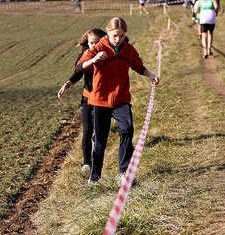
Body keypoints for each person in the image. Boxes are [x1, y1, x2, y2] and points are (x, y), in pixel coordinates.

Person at [77, 17, 159, 184]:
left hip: (121, 99)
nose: (118, 39)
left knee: (127, 130)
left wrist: (150, 75)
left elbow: (138, 65)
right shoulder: (99, 47)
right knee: (100, 141)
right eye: (115, 35)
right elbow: (80, 66)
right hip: (100, 101)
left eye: (121, 36)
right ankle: (95, 177)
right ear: (108, 33)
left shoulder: (128, 49)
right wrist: (93, 60)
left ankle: (123, 172)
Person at [58, 28, 107, 172]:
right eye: (91, 43)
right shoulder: (83, 56)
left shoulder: (108, 57)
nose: (94, 46)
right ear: (87, 43)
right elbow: (78, 73)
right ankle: (86, 164)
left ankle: (98, 158)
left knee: (99, 132)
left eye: (97, 43)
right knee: (87, 129)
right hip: (87, 97)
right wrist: (67, 84)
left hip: (103, 100)